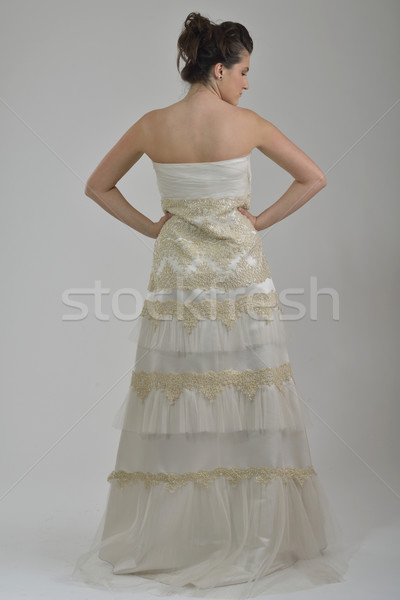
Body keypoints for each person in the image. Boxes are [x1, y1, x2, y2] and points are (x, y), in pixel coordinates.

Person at [69, 11, 356, 599]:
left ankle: (177, 538)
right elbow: (314, 177)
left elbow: (98, 185)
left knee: (181, 397)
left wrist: (155, 228)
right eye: (245, 71)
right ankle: (248, 532)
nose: (248, 84)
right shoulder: (246, 124)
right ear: (219, 69)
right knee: (249, 394)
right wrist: (260, 221)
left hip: (179, 276)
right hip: (241, 274)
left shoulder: (153, 125)